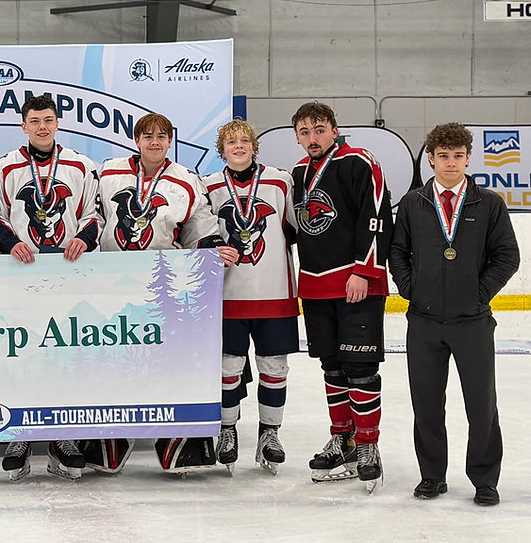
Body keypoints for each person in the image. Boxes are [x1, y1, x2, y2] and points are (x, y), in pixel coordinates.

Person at [98, 112, 239, 475]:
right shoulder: (108, 173)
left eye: (162, 136)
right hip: (112, 286)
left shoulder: (185, 180)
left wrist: (214, 249)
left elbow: (200, 227)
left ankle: (174, 438)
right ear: (136, 140)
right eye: (148, 136)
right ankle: (112, 436)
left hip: (164, 286)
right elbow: (92, 218)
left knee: (164, 363)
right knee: (117, 361)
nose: (155, 142)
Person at [389, 123, 519, 506]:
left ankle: (484, 480)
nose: (450, 162)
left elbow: (507, 256)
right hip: (424, 323)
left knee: (481, 405)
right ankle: (432, 476)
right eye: (442, 156)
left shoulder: (489, 203)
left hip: (473, 322)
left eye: (457, 155)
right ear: (430, 158)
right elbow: (397, 253)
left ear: (468, 157)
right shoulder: (414, 203)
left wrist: (478, 294)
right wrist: (412, 290)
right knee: (426, 404)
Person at [0, 94, 99, 481]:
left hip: (68, 276)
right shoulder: (5, 167)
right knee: (23, 354)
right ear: (23, 125)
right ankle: (20, 434)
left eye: (48, 119)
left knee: (64, 355)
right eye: (34, 120)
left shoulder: (82, 166)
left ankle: (61, 437)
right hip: (21, 276)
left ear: (58, 123)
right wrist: (9, 242)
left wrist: (84, 238)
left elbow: (93, 215)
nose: (42, 126)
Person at [290, 102, 392, 493]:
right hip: (315, 287)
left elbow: (377, 216)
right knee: (332, 369)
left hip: (355, 284)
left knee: (360, 368)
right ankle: (344, 439)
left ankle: (368, 445)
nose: (312, 138)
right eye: (304, 132)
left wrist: (364, 270)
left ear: (334, 129)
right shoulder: (299, 172)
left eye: (318, 129)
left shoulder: (359, 162)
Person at [202, 119, 299, 475]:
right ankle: (227, 431)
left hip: (275, 292)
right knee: (227, 369)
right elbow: (201, 233)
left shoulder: (280, 180)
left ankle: (269, 434)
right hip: (226, 295)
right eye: (231, 142)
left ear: (254, 146)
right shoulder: (209, 185)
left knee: (274, 369)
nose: (239, 146)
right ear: (222, 150)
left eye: (245, 140)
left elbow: (295, 230)